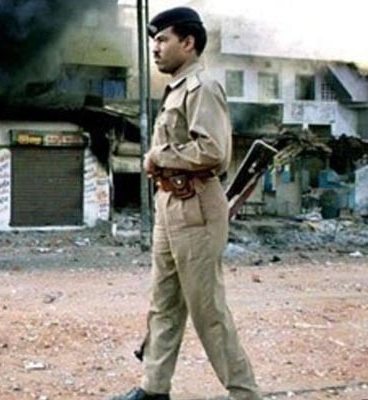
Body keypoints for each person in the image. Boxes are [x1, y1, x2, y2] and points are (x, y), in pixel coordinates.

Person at [111, 7, 262, 400]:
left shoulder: (202, 87)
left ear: (189, 42)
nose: (155, 48)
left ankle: (245, 393)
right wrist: (160, 161)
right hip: (171, 203)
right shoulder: (178, 88)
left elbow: (214, 151)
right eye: (154, 41)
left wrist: (159, 156)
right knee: (164, 303)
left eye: (163, 40)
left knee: (207, 311)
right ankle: (154, 389)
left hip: (196, 205)